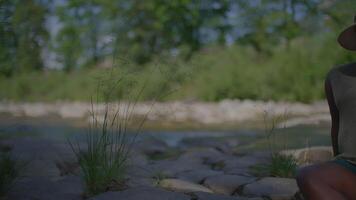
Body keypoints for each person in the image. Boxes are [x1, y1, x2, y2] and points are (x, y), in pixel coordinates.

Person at [296, 16, 356, 200]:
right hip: (351, 168)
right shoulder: (336, 77)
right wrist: (335, 163)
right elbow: (336, 125)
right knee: (308, 175)